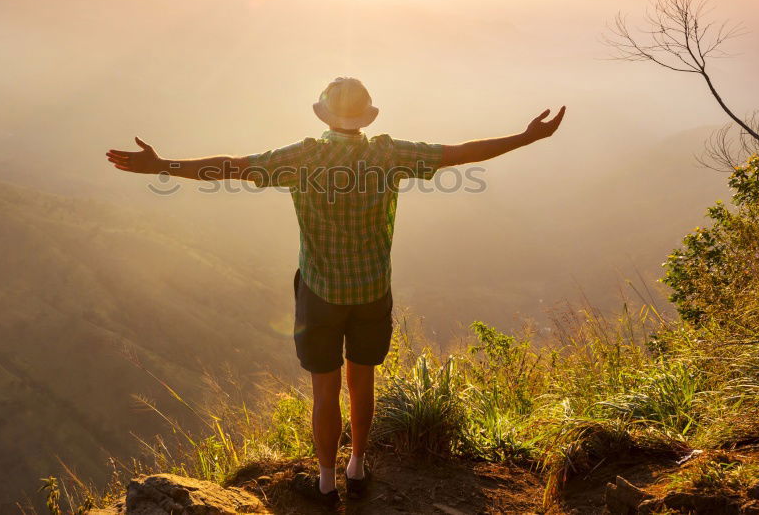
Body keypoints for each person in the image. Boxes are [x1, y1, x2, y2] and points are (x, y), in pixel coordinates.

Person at [105, 77, 566, 506]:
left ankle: (325, 483)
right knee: (361, 381)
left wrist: (161, 165)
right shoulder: (390, 154)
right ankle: (358, 468)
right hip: (371, 289)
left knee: (324, 391)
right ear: (368, 118)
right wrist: (526, 137)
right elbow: (463, 153)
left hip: (319, 292)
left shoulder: (301, 157)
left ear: (324, 117)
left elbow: (230, 167)